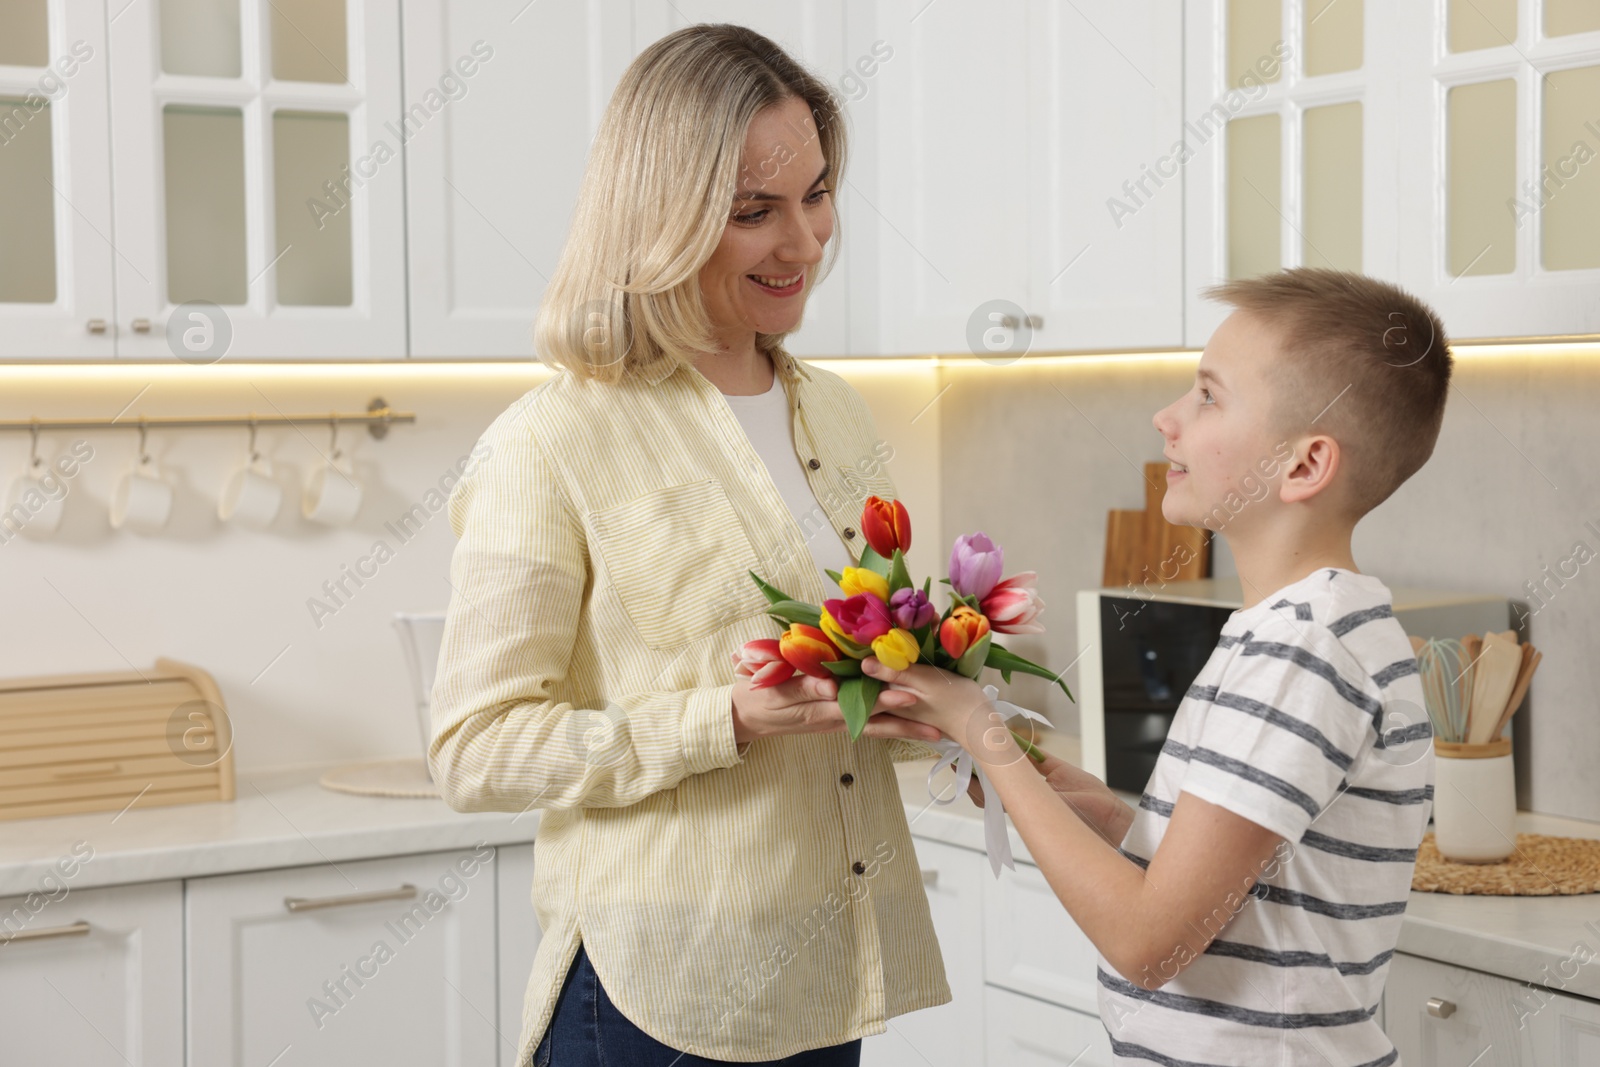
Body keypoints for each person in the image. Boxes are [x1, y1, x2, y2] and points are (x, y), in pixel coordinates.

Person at [428, 24, 949, 1067]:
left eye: (816, 192)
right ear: (660, 219)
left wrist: (934, 697)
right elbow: (474, 747)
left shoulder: (839, 414)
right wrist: (727, 719)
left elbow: (851, 668)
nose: (803, 241)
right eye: (754, 211)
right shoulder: (553, 440)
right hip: (659, 995)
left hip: (826, 977)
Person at [864, 268, 1449, 1066]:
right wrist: (1098, 809)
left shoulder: (1300, 651)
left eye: (1209, 395)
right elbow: (1241, 876)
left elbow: (1149, 943)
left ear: (1305, 466)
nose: (1167, 417)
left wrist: (986, 738)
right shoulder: (1311, 628)